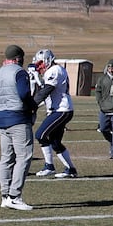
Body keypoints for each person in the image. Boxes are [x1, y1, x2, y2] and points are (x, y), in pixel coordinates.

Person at [0, 45, 35, 211]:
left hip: (2, 118)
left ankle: (5, 195)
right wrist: (33, 107)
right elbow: (24, 94)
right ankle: (14, 196)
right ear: (18, 58)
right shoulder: (19, 72)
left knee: (6, 157)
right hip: (18, 117)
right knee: (23, 156)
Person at [32, 48, 78, 178]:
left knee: (41, 135)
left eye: (40, 63)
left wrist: (32, 105)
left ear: (47, 60)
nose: (38, 67)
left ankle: (49, 166)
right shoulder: (53, 71)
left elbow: (47, 90)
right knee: (55, 142)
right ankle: (70, 169)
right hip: (59, 109)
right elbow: (47, 93)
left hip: (62, 110)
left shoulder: (54, 70)